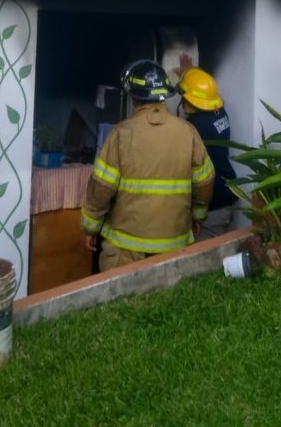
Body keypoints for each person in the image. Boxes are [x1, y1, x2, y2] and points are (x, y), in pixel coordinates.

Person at [80, 59, 215, 272]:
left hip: (126, 249)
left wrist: (90, 227)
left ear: (134, 96)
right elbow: (205, 182)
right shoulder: (188, 132)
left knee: (123, 303)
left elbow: (101, 188)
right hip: (174, 246)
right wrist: (198, 216)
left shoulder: (121, 133)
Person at [176, 66, 237, 238]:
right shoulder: (219, 112)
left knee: (203, 258)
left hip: (213, 205)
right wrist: (187, 73)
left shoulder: (196, 127)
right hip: (226, 191)